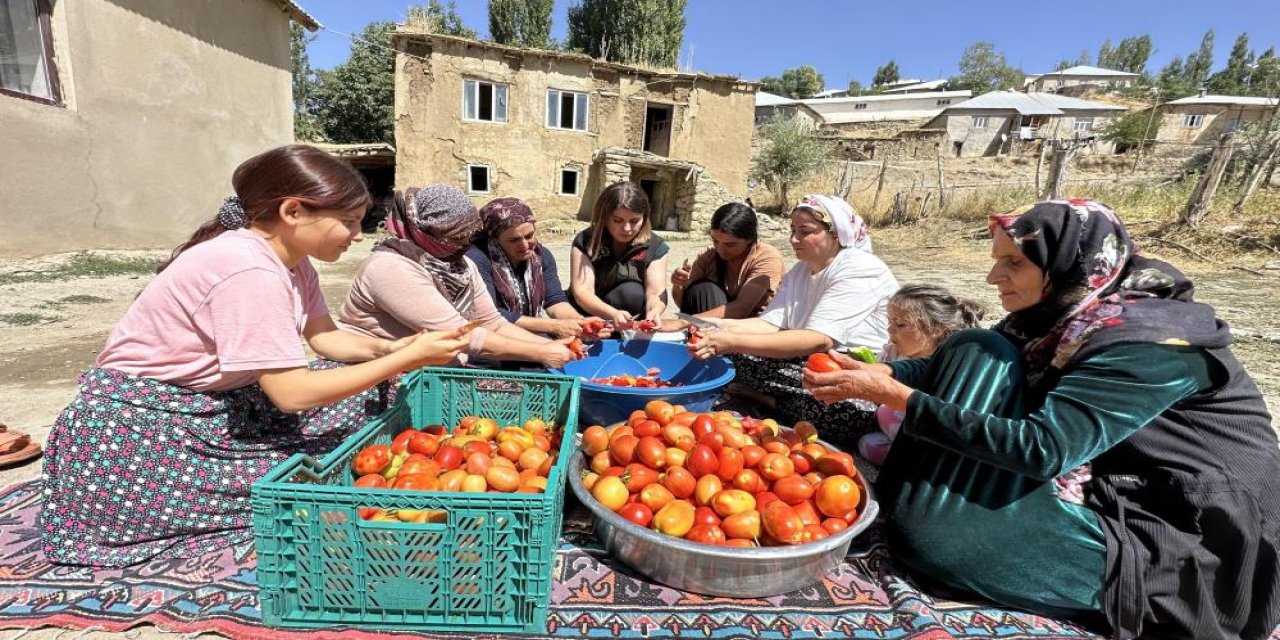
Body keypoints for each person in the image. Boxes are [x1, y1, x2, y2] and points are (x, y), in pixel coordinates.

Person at [803, 199, 1280, 639]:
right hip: (1103, 472)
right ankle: (923, 504)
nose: (993, 277)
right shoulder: (1059, 315)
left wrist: (901, 398)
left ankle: (947, 525)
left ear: (1068, 263)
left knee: (936, 544)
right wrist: (885, 371)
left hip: (1183, 529)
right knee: (975, 346)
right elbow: (943, 364)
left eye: (1013, 263)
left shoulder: (1149, 344)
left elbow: (1042, 449)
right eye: (997, 260)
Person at [39, 145, 471, 567]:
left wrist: (391, 349)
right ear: (293, 212)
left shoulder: (292, 262)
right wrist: (404, 360)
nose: (357, 236)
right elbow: (292, 394)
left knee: (363, 401)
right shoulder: (249, 271)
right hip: (140, 430)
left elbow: (324, 338)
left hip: (213, 404)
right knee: (301, 485)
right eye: (348, 222)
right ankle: (125, 502)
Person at [688, 195, 898, 445]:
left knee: (847, 412)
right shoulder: (801, 270)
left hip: (849, 367)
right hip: (805, 363)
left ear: (835, 235)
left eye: (805, 232)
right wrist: (705, 326)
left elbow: (818, 339)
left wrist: (730, 340)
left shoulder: (860, 269)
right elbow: (771, 324)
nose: (794, 239)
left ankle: (769, 400)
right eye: (793, 230)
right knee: (728, 356)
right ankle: (776, 400)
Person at [338, 185, 575, 370]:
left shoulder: (460, 265)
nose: (466, 244)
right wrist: (541, 352)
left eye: (469, 235)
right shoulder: (391, 267)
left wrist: (548, 346)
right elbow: (461, 335)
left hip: (436, 365)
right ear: (425, 233)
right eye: (457, 237)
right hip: (377, 370)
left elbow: (492, 322)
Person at [856, 284, 984, 465]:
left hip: (928, 437)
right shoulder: (893, 352)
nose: (890, 330)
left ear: (935, 329)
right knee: (867, 442)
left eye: (900, 324)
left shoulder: (948, 363)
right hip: (893, 433)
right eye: (889, 321)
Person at [466, 197, 606, 339]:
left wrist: (580, 323)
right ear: (494, 238)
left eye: (529, 236)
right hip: (491, 336)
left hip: (528, 332)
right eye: (514, 240)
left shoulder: (541, 256)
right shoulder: (478, 259)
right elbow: (490, 315)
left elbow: (555, 300)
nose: (525, 245)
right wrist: (554, 326)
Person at [569, 182, 670, 324]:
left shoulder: (655, 246)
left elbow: (655, 292)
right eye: (617, 220)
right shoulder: (586, 241)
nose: (627, 228)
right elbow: (583, 292)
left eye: (635, 221)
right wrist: (612, 314)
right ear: (604, 217)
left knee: (631, 293)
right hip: (588, 314)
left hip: (630, 317)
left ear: (644, 217)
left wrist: (654, 311)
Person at [669, 202, 785, 319]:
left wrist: (687, 322)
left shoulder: (767, 258)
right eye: (715, 241)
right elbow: (687, 305)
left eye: (730, 245)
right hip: (713, 325)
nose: (720, 249)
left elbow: (742, 309)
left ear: (750, 239)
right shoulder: (709, 256)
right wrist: (678, 285)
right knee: (703, 288)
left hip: (751, 327)